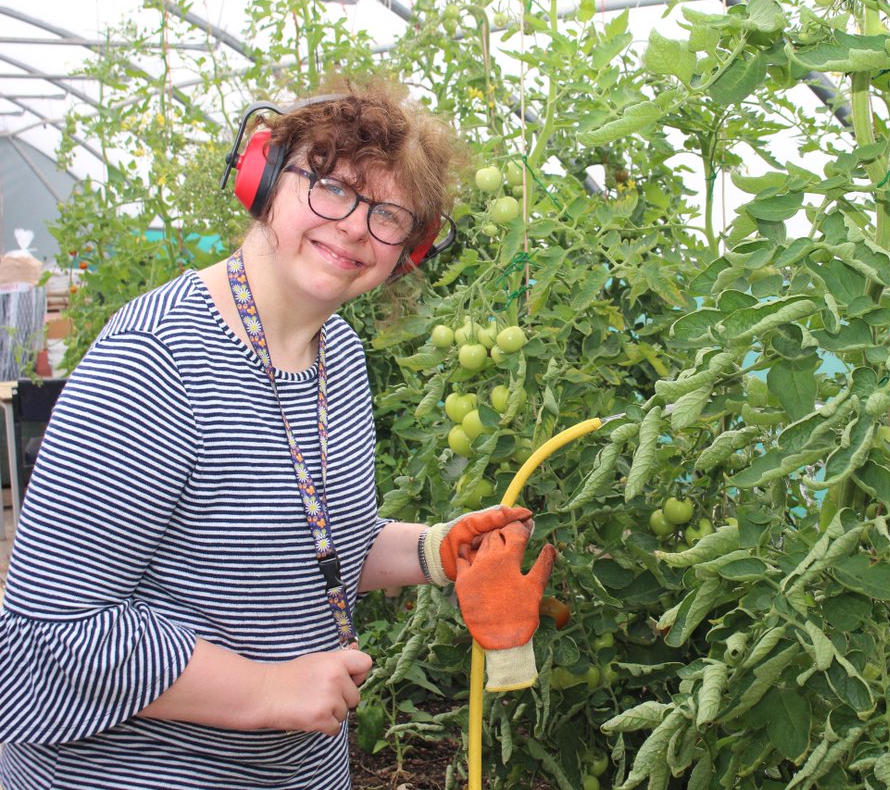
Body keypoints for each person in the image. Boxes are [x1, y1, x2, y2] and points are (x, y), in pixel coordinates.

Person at [0, 79, 544, 789]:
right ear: (261, 181)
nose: (355, 225)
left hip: (292, 770)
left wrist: (436, 549)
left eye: (390, 214)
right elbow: (53, 630)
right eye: (331, 188)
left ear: (409, 250)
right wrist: (265, 690)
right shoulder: (157, 358)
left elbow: (315, 536)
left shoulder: (339, 357)